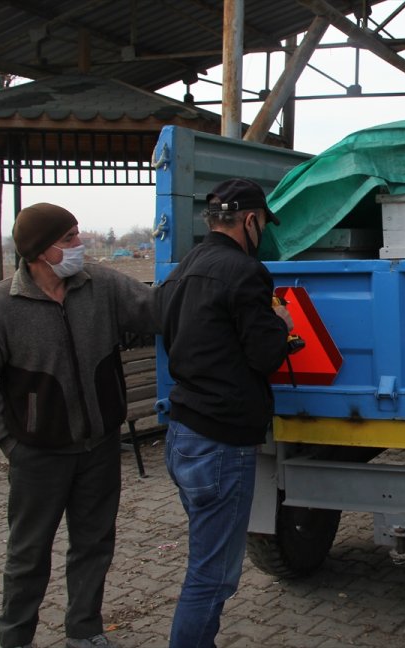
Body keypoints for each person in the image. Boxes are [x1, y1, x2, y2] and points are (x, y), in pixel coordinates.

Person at [0, 203, 161, 648]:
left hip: (99, 448)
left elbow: (157, 310)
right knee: (28, 553)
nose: (80, 244)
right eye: (69, 238)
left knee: (94, 544)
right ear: (39, 251)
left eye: (77, 234)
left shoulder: (100, 285)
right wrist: (11, 445)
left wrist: (206, 285)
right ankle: (16, 637)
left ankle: (84, 631)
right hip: (38, 456)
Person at [159, 178, 292, 647]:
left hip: (182, 435)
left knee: (205, 561)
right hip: (219, 445)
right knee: (212, 576)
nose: (263, 234)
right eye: (264, 225)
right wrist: (280, 326)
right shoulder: (245, 272)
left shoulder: (187, 265)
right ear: (250, 220)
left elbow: (168, 327)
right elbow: (264, 355)